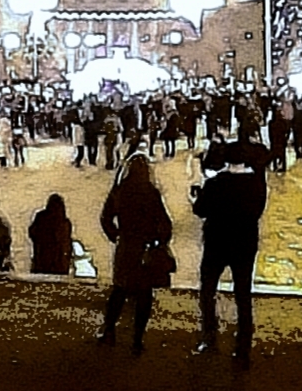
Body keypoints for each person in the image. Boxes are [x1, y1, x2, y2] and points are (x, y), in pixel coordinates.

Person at [190, 138, 268, 364]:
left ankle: (209, 337)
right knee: (243, 295)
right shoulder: (256, 184)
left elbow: (200, 210)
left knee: (207, 291)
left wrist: (196, 197)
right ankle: (242, 346)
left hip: (217, 242)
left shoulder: (217, 183)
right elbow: (257, 211)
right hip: (244, 243)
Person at [98, 154, 173, 353]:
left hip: (126, 247)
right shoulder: (150, 193)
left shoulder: (120, 191)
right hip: (145, 248)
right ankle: (137, 339)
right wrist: (160, 241)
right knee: (144, 294)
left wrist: (116, 236)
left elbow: (106, 218)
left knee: (120, 290)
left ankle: (109, 330)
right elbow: (165, 223)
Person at [29, 192, 74, 276]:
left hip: (43, 255)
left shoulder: (41, 217)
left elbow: (32, 232)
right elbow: (65, 242)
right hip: (58, 260)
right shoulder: (64, 222)